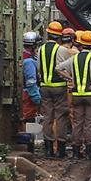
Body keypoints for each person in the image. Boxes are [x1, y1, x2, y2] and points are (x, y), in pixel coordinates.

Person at [57, 31, 91, 159]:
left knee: (78, 122)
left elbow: (58, 68)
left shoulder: (73, 59)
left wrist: (71, 79)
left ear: (81, 44)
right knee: (90, 123)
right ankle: (89, 151)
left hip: (77, 95)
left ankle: (76, 150)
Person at [37, 21, 74, 158]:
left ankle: (48, 149)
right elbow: (66, 69)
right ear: (59, 37)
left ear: (48, 34)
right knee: (61, 117)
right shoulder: (62, 50)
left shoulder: (41, 49)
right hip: (59, 87)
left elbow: (39, 68)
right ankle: (61, 149)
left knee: (48, 117)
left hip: (45, 87)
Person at [21, 32, 42, 124]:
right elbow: (31, 81)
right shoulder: (29, 61)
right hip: (29, 94)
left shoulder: (25, 56)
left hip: (27, 92)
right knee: (29, 118)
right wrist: (36, 97)